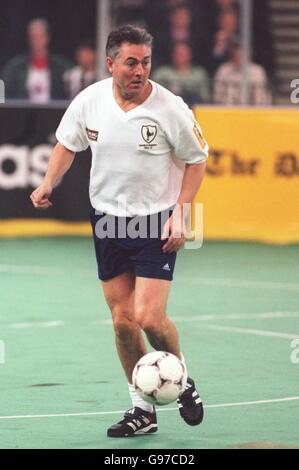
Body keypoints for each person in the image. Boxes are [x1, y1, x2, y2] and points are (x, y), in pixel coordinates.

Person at [30, 25, 208, 438]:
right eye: (131, 62)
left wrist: (180, 214)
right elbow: (66, 144)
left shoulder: (172, 109)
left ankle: (181, 378)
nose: (140, 71)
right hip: (106, 221)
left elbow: (197, 160)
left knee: (149, 317)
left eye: (145, 62)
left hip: (154, 222)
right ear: (110, 63)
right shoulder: (89, 101)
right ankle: (142, 410)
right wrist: (47, 183)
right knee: (123, 323)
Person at [2, 19, 72, 102]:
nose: (37, 41)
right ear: (28, 39)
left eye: (40, 36)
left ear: (47, 38)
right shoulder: (15, 67)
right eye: (33, 37)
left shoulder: (62, 66)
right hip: (23, 113)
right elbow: (4, 95)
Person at [153, 41, 210, 106]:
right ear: (172, 55)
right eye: (178, 54)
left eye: (183, 54)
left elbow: (205, 98)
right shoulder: (162, 73)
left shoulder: (199, 74)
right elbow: (155, 96)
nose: (180, 57)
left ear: (190, 55)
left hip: (194, 109)